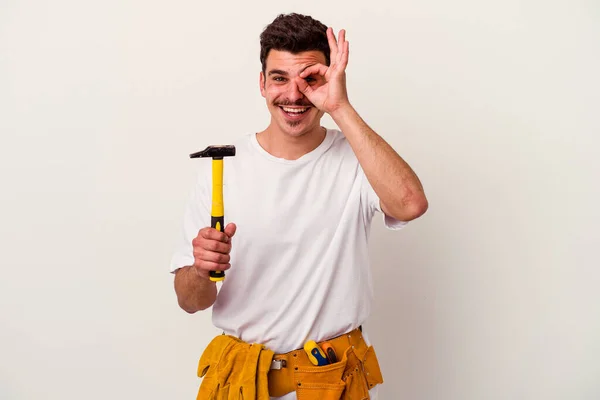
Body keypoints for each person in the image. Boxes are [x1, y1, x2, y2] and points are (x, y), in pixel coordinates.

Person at [170, 13, 428, 400]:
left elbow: (410, 204)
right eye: (279, 78)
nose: (294, 95)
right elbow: (190, 301)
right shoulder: (222, 170)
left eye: (310, 79)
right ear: (262, 83)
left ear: (328, 80)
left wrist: (339, 106)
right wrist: (202, 271)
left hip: (331, 381)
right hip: (241, 382)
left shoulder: (357, 158)